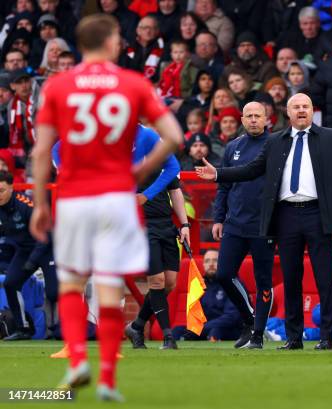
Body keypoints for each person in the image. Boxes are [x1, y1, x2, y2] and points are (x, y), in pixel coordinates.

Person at [30, 14, 182, 401]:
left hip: (77, 197)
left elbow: (43, 149)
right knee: (111, 287)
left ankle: (78, 359)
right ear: (113, 43)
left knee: (71, 282)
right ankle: (108, 381)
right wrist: (142, 169)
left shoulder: (60, 86)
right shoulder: (132, 83)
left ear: (79, 46)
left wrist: (41, 204)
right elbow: (174, 136)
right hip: (116, 198)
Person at [196, 93, 332, 351]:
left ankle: (327, 337)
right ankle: (294, 338)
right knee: (291, 278)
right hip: (286, 215)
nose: (301, 110)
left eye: (306, 106)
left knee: (324, 277)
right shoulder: (276, 140)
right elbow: (252, 169)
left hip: (318, 214)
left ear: (313, 111)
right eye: (296, 107)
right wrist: (218, 174)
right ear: (288, 113)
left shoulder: (329, 136)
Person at [209, 102, 274, 349]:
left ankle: (257, 334)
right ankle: (249, 320)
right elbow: (224, 185)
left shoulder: (275, 145)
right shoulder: (233, 147)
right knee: (224, 274)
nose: (254, 120)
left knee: (263, 281)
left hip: (264, 225)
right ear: (242, 119)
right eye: (250, 116)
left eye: (258, 115)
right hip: (234, 223)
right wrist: (218, 218)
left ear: (266, 119)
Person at [122, 125, 190, 351]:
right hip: (141, 225)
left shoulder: (161, 158)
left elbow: (175, 192)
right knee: (157, 281)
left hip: (165, 224)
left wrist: (184, 224)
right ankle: (168, 337)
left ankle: (137, 325)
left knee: (170, 282)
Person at [0, 170, 57, 341]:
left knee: (54, 292)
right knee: (10, 284)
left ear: (11, 188)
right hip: (24, 251)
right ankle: (23, 328)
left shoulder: (26, 205)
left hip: (46, 249)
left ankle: (62, 329)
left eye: (1, 190)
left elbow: (46, 235)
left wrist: (33, 261)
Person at [172, 249, 243, 341]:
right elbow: (194, 315)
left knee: (215, 331)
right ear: (203, 265)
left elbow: (232, 317)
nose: (211, 264)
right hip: (203, 328)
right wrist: (196, 328)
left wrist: (203, 328)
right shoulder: (199, 285)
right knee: (176, 331)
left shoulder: (233, 283)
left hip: (228, 328)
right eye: (207, 261)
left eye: (215, 260)